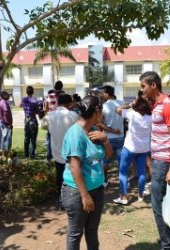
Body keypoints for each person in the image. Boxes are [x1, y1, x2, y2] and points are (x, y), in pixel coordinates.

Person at [61, 95, 113, 250]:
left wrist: (105, 139)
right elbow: (74, 167)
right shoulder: (75, 133)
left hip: (97, 189)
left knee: (92, 230)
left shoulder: (96, 130)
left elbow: (108, 155)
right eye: (102, 110)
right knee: (75, 233)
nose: (103, 114)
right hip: (77, 192)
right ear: (97, 111)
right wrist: (85, 196)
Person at [139, 71, 170, 249]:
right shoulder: (156, 105)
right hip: (158, 160)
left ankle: (169, 245)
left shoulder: (168, 105)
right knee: (168, 202)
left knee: (157, 204)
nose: (141, 90)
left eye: (143, 86)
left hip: (164, 163)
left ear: (153, 85)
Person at [113, 93, 152, 205]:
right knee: (141, 172)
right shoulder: (151, 118)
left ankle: (124, 197)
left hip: (130, 148)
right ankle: (140, 195)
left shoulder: (132, 114)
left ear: (137, 105)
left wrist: (130, 105)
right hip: (143, 149)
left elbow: (117, 109)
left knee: (123, 172)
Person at [47, 94, 79, 210]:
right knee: (70, 178)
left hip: (56, 149)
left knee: (60, 175)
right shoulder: (72, 115)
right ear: (69, 103)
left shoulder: (51, 115)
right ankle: (65, 201)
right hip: (69, 151)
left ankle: (60, 200)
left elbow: (48, 130)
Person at [98, 85, 124, 188]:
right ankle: (124, 183)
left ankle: (105, 181)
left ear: (107, 93)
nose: (102, 95)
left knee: (105, 161)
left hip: (108, 138)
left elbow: (99, 123)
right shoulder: (121, 103)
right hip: (121, 137)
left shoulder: (104, 106)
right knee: (121, 161)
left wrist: (112, 130)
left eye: (103, 93)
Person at [44, 80, 64, 161]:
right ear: (62, 87)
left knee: (49, 138)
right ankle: (60, 156)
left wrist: (46, 117)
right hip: (62, 120)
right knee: (61, 138)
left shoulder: (49, 96)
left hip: (51, 120)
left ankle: (49, 157)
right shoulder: (64, 96)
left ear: (54, 87)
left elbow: (45, 109)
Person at [21, 86, 39, 158]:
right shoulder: (34, 100)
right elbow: (37, 111)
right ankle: (32, 154)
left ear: (26, 92)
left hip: (26, 121)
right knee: (33, 139)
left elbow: (21, 106)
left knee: (26, 138)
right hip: (33, 121)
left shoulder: (24, 99)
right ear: (33, 92)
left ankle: (26, 154)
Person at [0, 90, 13, 160]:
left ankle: (4, 155)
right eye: (7, 95)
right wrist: (9, 123)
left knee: (4, 139)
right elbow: (6, 113)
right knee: (7, 139)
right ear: (4, 95)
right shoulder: (4, 103)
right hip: (6, 123)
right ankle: (5, 156)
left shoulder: (2, 102)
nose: (9, 96)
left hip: (3, 123)